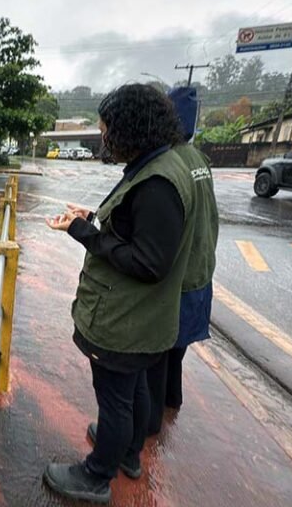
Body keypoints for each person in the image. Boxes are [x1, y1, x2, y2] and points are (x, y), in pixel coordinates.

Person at [43, 84, 196, 504]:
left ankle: (96, 476)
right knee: (133, 391)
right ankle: (127, 453)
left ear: (129, 128)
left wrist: (84, 234)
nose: (103, 136)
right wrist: (92, 216)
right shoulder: (156, 166)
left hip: (126, 320)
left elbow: (148, 263)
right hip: (144, 322)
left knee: (114, 399)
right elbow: (138, 228)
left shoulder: (157, 184)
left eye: (106, 129)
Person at [145, 134, 219, 435]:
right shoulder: (199, 159)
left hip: (181, 275)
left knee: (157, 350)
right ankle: (172, 398)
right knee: (177, 347)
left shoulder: (170, 163)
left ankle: (149, 423)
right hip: (201, 269)